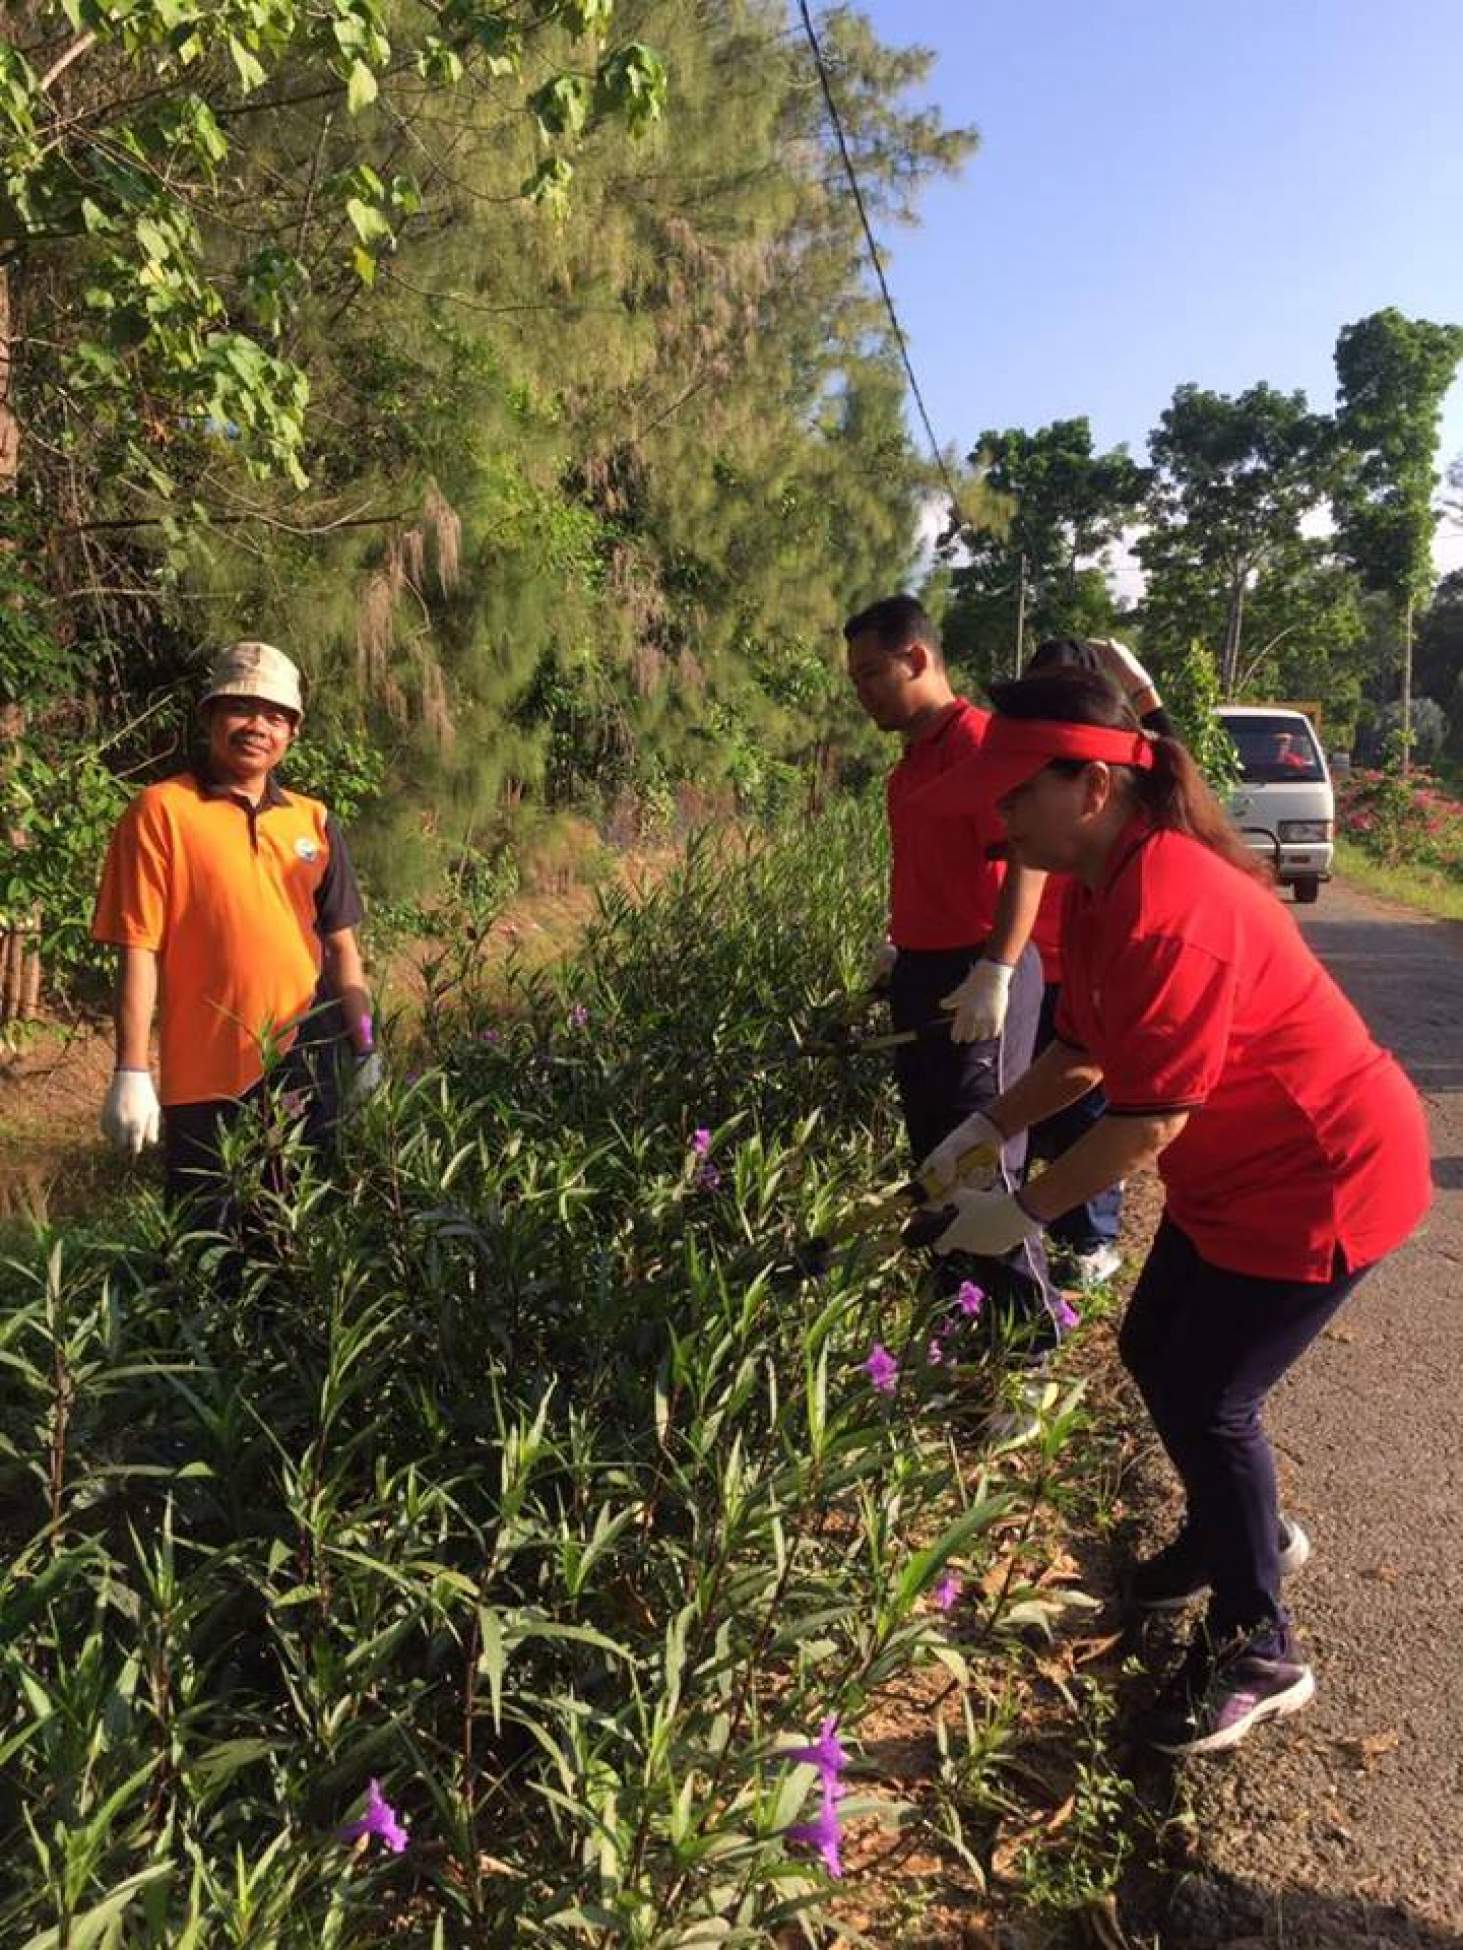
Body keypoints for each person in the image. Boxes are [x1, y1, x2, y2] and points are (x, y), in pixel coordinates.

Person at [916, 668, 1431, 1755]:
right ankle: (1230, 1533)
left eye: (1018, 791)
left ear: (1093, 787)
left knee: (1211, 1399)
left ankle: (1260, 1646)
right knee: (1152, 1346)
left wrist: (1022, 1211)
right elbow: (1081, 1051)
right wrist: (985, 1131)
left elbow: (1146, 1122)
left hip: (1319, 1178)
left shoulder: (1166, 909)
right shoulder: (1102, 884)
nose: (1001, 815)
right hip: (1234, 1179)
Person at [92, 640, 381, 1229]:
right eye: (241, 709)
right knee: (208, 1246)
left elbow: (342, 948)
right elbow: (138, 947)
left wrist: (366, 1047)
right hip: (207, 1078)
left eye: (276, 716)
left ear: (293, 732)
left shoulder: (313, 821)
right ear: (210, 717)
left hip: (306, 1062)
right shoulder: (161, 812)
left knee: (301, 1235)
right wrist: (131, 1069)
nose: (258, 727)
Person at [842, 594, 1057, 1337]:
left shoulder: (978, 745)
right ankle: (956, 1328)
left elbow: (1027, 862)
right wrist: (898, 947)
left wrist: (997, 969)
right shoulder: (908, 768)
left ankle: (1029, 1340)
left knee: (980, 1159)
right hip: (925, 973)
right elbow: (928, 872)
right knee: (935, 1160)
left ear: (917, 658)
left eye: (871, 674)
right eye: (854, 680)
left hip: (981, 972)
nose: (862, 693)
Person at [1017, 637, 1180, 1287]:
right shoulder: (1023, 774)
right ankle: (1042, 1225)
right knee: (1034, 1099)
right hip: (1032, 968)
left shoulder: (1117, 789)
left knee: (1089, 1111)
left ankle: (1089, 1240)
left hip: (1091, 972)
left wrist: (1144, 692)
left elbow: (1175, 772)